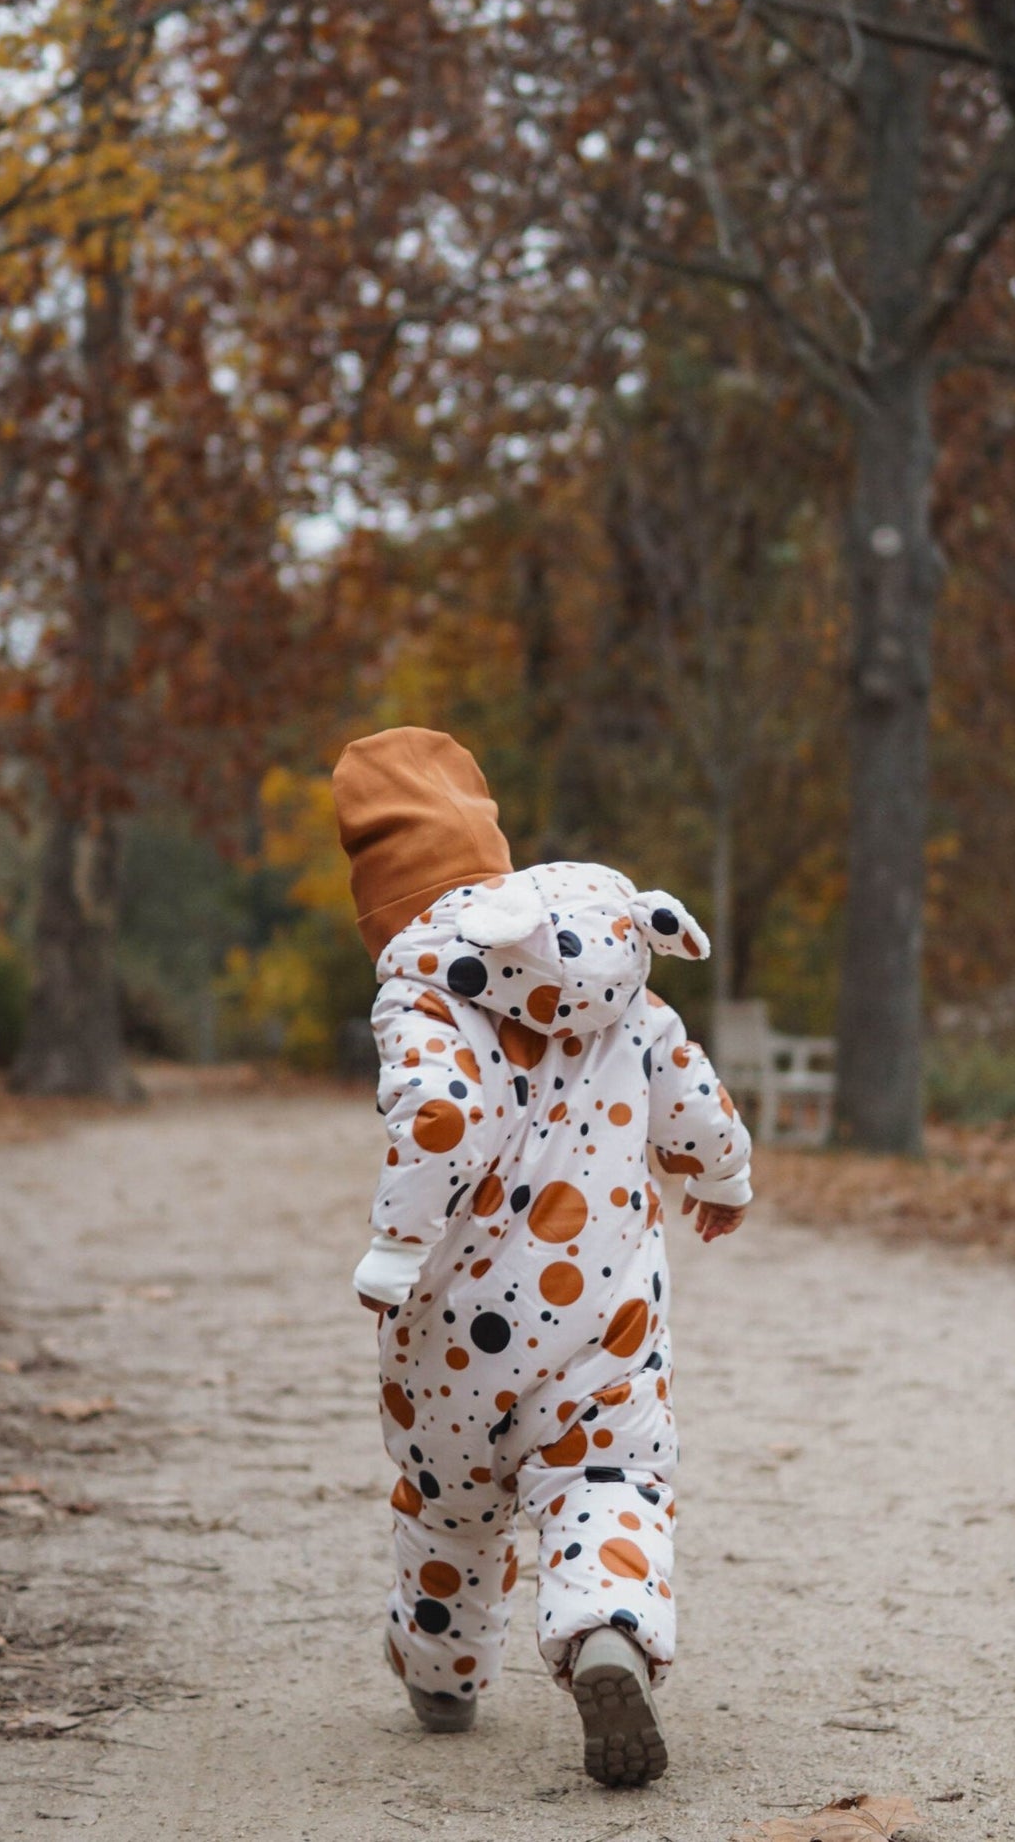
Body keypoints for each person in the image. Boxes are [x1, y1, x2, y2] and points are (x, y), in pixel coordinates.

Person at [332, 726, 753, 1788]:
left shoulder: (421, 991)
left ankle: (439, 1667)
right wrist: (722, 1179)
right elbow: (694, 1101)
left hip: (453, 1331)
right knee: (609, 1477)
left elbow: (436, 1114)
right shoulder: (619, 980)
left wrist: (394, 1240)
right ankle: (605, 1624)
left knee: (448, 1504)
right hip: (602, 1321)